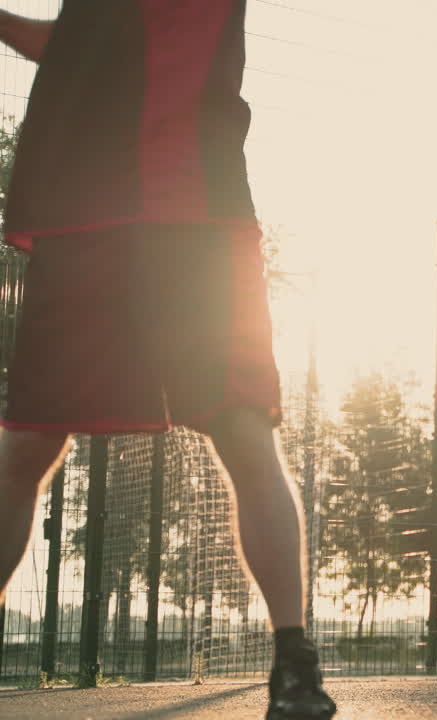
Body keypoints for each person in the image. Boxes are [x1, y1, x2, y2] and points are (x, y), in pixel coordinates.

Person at [0, 4, 335, 718]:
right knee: (27, 439)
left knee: (244, 431)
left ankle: (294, 661)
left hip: (196, 218)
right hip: (86, 219)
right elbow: (79, 48)